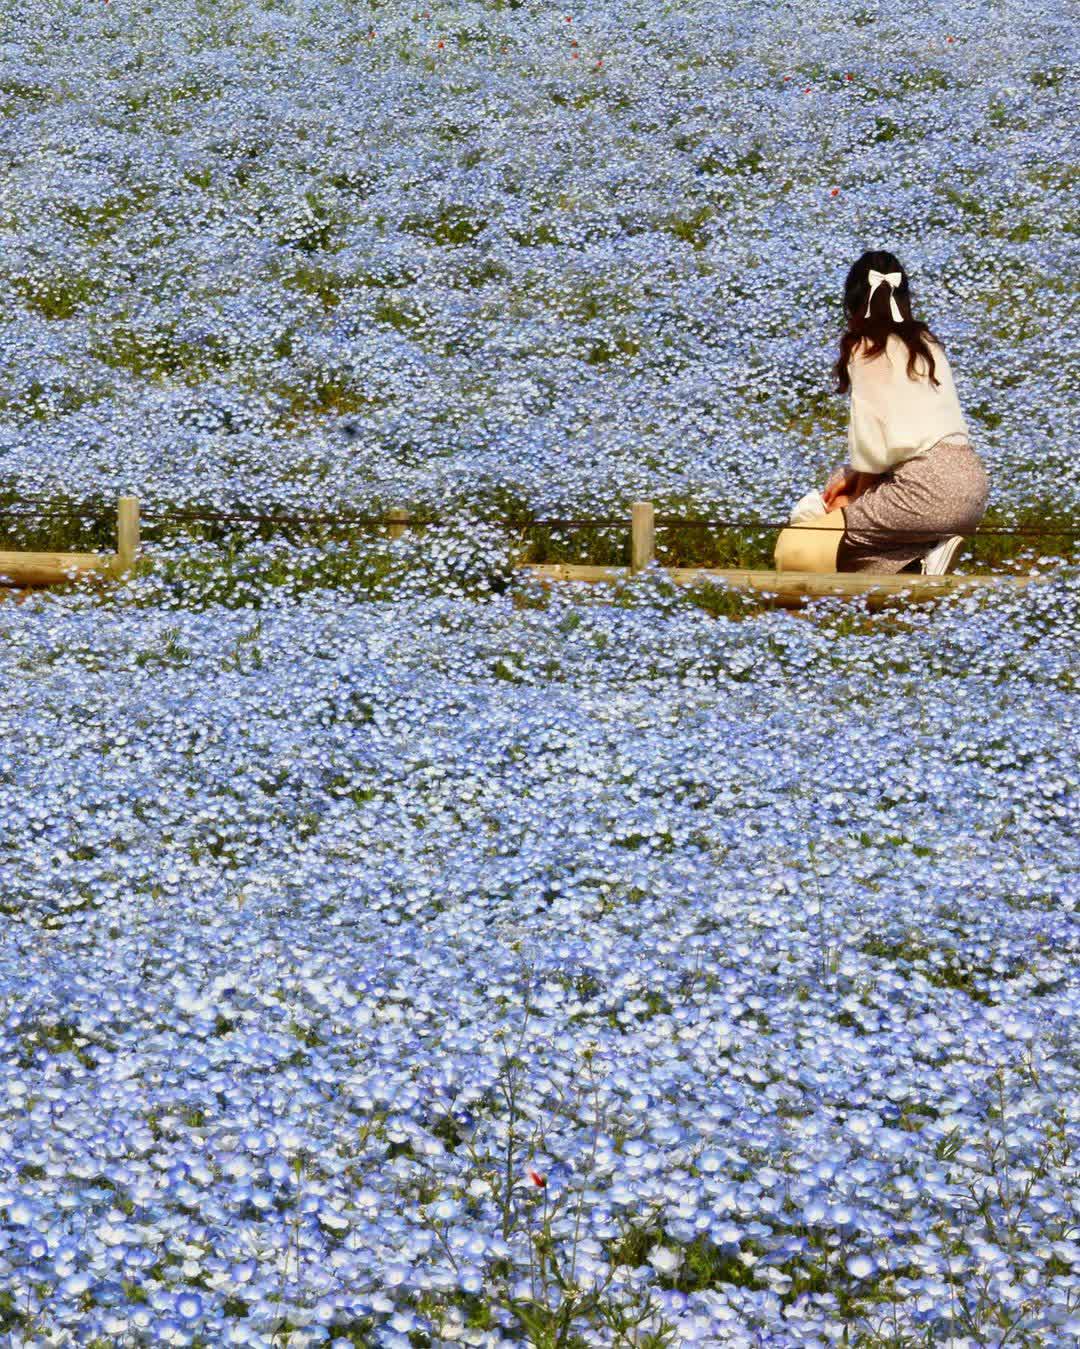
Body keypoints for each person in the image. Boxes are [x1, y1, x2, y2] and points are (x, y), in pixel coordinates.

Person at [777, 250, 990, 575]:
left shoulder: (866, 349)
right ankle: (922, 560)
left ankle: (924, 554)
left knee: (799, 551)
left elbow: (874, 449)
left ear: (853, 302)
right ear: (903, 298)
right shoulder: (927, 344)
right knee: (852, 553)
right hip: (972, 487)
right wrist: (850, 483)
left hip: (923, 490)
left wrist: (851, 504)